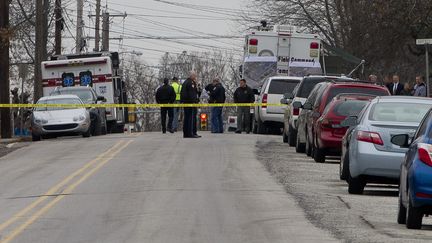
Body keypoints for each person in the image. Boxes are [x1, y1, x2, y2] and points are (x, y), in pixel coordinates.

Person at [180, 71, 201, 138]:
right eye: (195, 76)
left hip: (186, 103)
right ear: (192, 76)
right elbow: (192, 94)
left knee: (187, 118)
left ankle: (186, 133)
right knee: (190, 119)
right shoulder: (191, 83)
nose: (195, 77)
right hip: (190, 103)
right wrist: (195, 101)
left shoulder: (185, 82)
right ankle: (190, 133)